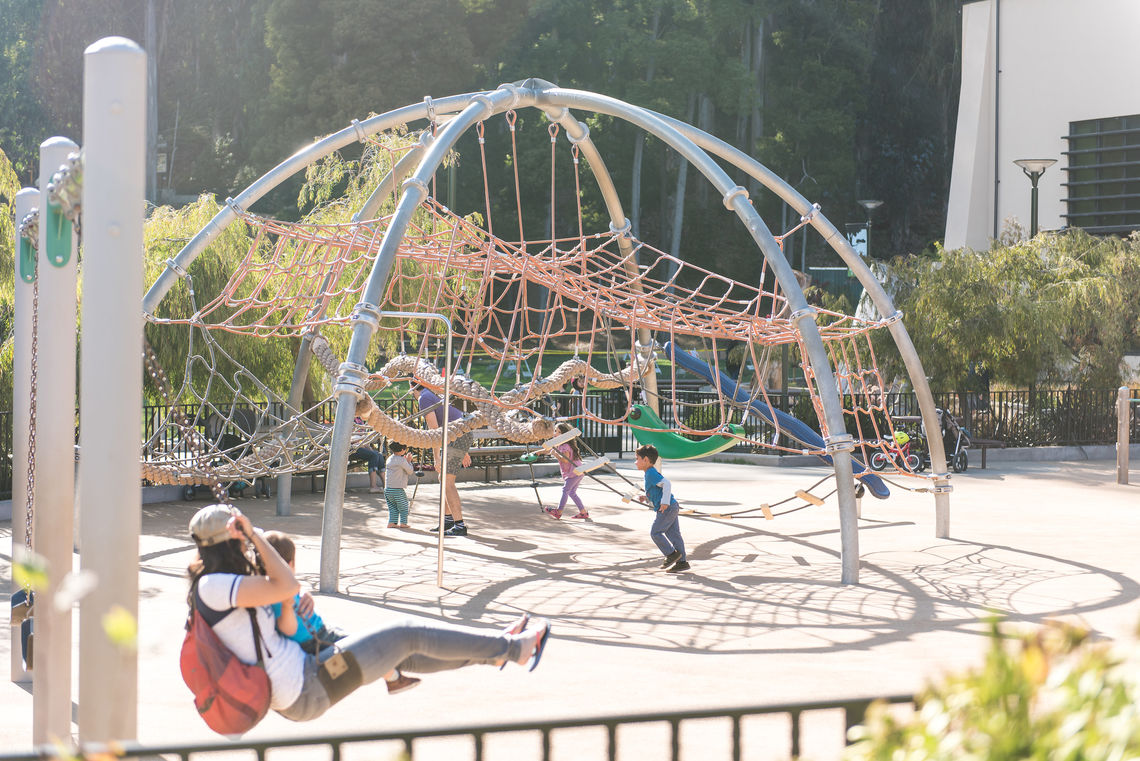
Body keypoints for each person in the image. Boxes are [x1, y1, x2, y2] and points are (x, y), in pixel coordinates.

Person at [187, 504, 550, 723]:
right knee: (406, 633)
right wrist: (255, 534)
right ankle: (513, 649)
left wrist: (302, 592)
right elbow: (283, 584)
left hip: (310, 671)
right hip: (306, 685)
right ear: (230, 542)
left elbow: (285, 589)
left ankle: (498, 653)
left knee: (401, 650)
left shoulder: (226, 583)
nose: (250, 547)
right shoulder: (213, 585)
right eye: (243, 540)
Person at [262, 531, 418, 693]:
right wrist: (288, 606)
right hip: (315, 641)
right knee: (363, 650)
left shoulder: (275, 585)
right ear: (291, 564)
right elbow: (288, 629)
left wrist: (302, 593)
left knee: (354, 651)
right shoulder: (277, 592)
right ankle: (393, 678)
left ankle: (387, 673)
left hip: (320, 634)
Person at [415, 380, 472, 537]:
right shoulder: (433, 393)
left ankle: (459, 525)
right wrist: (463, 450)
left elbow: (435, 431)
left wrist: (436, 458)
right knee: (443, 479)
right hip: (459, 434)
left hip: (455, 436)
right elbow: (452, 418)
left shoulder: (424, 397)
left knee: (447, 481)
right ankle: (448, 520)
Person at [634, 444, 690, 573]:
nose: (635, 462)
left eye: (637, 458)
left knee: (655, 533)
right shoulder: (649, 473)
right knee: (674, 535)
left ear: (646, 460)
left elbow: (667, 484)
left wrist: (664, 502)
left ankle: (671, 554)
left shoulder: (651, 473)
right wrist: (646, 497)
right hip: (672, 506)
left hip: (667, 508)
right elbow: (656, 491)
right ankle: (682, 562)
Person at [539, 422, 589, 520]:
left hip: (574, 472)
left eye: (559, 432)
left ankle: (559, 511)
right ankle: (583, 512)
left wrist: (555, 454)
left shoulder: (564, 446)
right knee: (572, 492)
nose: (556, 433)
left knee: (565, 490)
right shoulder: (561, 444)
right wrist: (539, 452)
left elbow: (565, 459)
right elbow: (549, 450)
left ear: (565, 435)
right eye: (555, 431)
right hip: (578, 471)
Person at [383, 442, 416, 528]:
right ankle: (403, 523)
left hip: (387, 489)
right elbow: (410, 471)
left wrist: (405, 461)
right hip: (397, 489)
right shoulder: (401, 460)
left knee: (393, 507)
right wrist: (408, 461)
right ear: (402, 450)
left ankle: (392, 522)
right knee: (404, 506)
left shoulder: (389, 459)